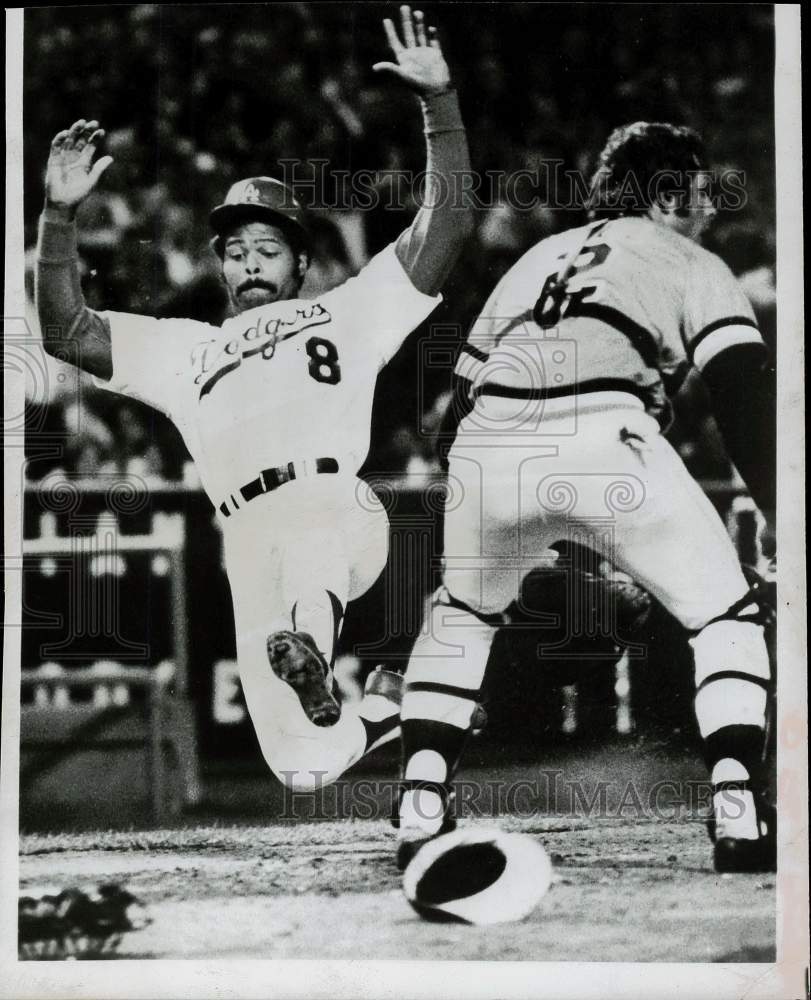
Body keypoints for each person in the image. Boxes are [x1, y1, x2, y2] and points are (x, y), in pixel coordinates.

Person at [36, 7, 472, 793]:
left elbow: (446, 225)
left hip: (336, 508)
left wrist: (438, 106)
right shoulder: (186, 347)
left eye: (267, 248)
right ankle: (378, 709)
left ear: (301, 262)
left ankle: (312, 649)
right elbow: (66, 331)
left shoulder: (346, 310)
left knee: (310, 540)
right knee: (302, 766)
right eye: (235, 252)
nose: (249, 263)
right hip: (245, 535)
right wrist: (59, 217)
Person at [396, 122, 776, 873]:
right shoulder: (688, 258)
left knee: (462, 616)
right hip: (607, 431)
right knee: (725, 615)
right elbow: (740, 394)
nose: (706, 210)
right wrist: (780, 508)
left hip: (486, 439)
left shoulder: (536, 256)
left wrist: (500, 529)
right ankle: (736, 804)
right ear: (669, 194)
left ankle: (419, 801)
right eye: (698, 194)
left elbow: (453, 413)